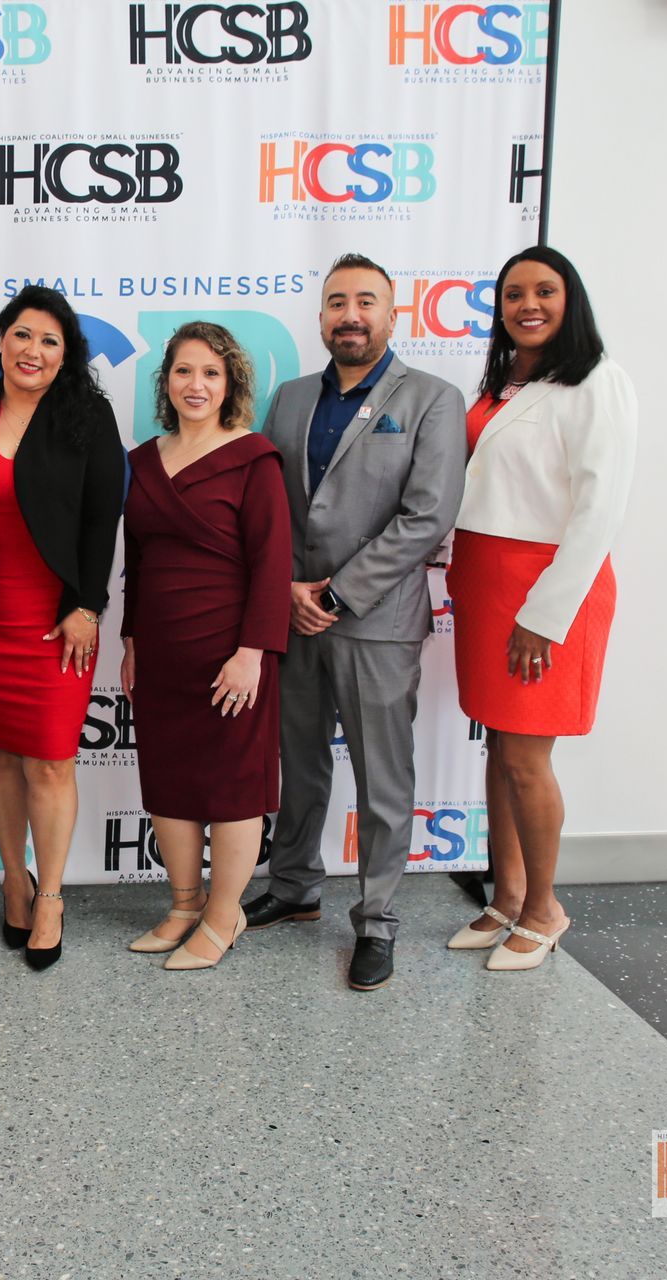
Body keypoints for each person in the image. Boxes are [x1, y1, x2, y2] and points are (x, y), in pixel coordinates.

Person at [244, 253, 468, 993]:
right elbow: (268, 505)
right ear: (321, 317)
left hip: (375, 621)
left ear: (392, 315)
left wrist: (336, 594)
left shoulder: (433, 399)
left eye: (366, 301)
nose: (351, 315)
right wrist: (285, 588)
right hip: (293, 614)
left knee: (382, 777)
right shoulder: (290, 399)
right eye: (338, 302)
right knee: (299, 761)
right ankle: (294, 885)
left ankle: (376, 922)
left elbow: (427, 516)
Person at [446, 245, 636, 971]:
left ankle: (544, 909)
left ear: (570, 299)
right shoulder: (506, 381)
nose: (528, 304)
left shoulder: (597, 381)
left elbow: (599, 511)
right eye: (513, 294)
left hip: (545, 589)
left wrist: (545, 615)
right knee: (499, 747)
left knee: (527, 757)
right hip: (485, 581)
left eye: (544, 291)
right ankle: (508, 896)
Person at [0, 285, 124, 969]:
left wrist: (87, 606)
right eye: (21, 335)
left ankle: (52, 897)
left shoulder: (88, 415)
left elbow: (102, 516)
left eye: (49, 340)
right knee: (0, 757)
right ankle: (14, 879)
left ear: (65, 354)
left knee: (51, 761)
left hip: (56, 618)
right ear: (0, 342)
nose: (32, 350)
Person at [121, 322, 292, 971]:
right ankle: (184, 905)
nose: (196, 385)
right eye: (184, 371)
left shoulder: (255, 458)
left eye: (211, 373)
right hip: (162, 654)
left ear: (231, 384)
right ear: (166, 381)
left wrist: (253, 653)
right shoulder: (142, 461)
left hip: (231, 657)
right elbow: (136, 561)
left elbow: (273, 564)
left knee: (232, 790)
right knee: (168, 783)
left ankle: (224, 917)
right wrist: (131, 639)